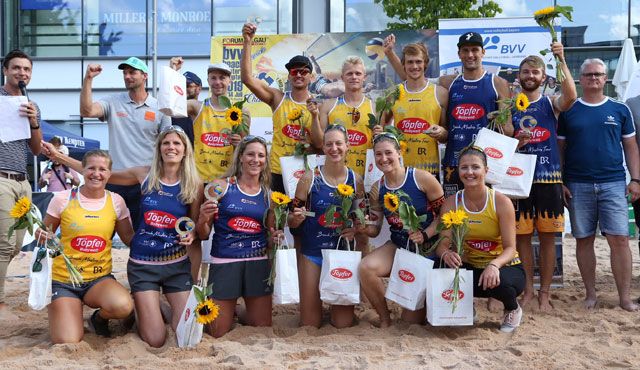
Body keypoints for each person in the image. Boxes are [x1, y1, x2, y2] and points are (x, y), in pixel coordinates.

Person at [43, 125, 203, 346]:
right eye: (166, 143)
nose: (171, 147)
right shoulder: (143, 174)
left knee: (186, 336)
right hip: (143, 264)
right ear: (159, 148)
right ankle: (144, 304)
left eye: (176, 143)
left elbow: (194, 229)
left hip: (176, 264)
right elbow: (100, 173)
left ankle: (156, 305)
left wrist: (193, 233)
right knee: (155, 339)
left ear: (185, 150)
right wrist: (58, 156)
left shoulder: (195, 183)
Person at [558, 58, 640, 312]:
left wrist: (635, 179)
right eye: (589, 74)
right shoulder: (569, 110)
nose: (594, 78)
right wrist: (560, 181)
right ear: (580, 79)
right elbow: (560, 149)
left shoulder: (620, 109)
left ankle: (624, 298)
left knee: (620, 241)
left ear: (606, 78)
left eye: (599, 74)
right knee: (583, 240)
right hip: (578, 184)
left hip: (613, 183)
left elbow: (630, 147)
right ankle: (590, 294)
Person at [35, 150, 135, 343]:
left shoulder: (116, 201)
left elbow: (129, 239)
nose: (96, 173)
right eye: (91, 168)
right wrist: (42, 235)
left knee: (123, 306)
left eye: (102, 169)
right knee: (68, 341)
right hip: (64, 281)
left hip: (97, 280)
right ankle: (67, 309)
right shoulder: (62, 198)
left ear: (109, 174)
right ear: (82, 170)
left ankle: (98, 319)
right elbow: (43, 234)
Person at [511, 45, 577, 311]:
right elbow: (505, 139)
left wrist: (561, 58)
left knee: (549, 239)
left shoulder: (550, 103)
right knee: (523, 239)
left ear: (543, 76)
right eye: (526, 71)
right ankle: (528, 290)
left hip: (549, 178)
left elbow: (571, 96)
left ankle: (545, 293)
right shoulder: (510, 105)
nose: (530, 75)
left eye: (535, 72)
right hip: (519, 179)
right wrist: (517, 140)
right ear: (519, 76)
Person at [358, 133, 444, 328]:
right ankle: (385, 318)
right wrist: (362, 227)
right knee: (366, 267)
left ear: (399, 153)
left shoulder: (422, 178)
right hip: (399, 245)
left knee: (411, 321)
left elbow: (444, 218)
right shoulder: (377, 188)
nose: (383, 158)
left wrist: (425, 234)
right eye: (378, 154)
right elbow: (375, 230)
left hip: (428, 249)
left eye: (388, 153)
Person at [435, 146, 525, 333]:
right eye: (464, 167)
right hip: (471, 266)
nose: (469, 172)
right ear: (458, 171)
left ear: (486, 170)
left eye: (475, 167)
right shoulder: (451, 203)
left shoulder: (501, 202)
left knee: (502, 284)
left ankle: (512, 308)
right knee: (440, 268)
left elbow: (510, 248)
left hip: (503, 266)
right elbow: (441, 245)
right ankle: (465, 308)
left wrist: (494, 265)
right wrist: (446, 253)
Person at [80, 56, 171, 229]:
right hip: (115, 179)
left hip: (145, 181)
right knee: (103, 230)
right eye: (125, 73)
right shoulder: (113, 101)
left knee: (143, 232)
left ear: (144, 76)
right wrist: (88, 79)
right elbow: (86, 110)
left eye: (132, 72)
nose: (127, 76)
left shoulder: (160, 106)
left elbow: (168, 145)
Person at [196, 135, 274, 337]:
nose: (255, 159)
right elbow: (203, 235)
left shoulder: (268, 195)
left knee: (262, 328)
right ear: (240, 157)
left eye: (260, 155)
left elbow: (270, 234)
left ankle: (238, 310)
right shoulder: (221, 187)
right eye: (250, 154)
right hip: (225, 260)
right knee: (217, 332)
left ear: (265, 161)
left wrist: (275, 238)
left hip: (257, 261)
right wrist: (203, 219)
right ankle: (230, 310)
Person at [289, 125, 364, 328]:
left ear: (347, 146)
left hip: (341, 255)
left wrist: (356, 229)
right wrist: (295, 219)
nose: (334, 148)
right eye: (329, 144)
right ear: (322, 148)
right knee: (309, 324)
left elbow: (363, 219)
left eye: (339, 143)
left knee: (343, 323)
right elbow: (290, 219)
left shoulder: (356, 180)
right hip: (313, 252)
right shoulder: (308, 178)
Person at [241, 22, 316, 193]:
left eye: (303, 72)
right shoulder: (277, 98)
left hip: (306, 173)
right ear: (289, 76)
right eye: (294, 71)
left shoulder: (317, 106)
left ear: (311, 77)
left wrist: (310, 146)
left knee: (302, 218)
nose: (298, 74)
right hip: (277, 172)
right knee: (274, 218)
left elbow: (321, 146)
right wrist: (247, 41)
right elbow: (247, 79)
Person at [440, 32, 512, 197]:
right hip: (454, 163)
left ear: (483, 52)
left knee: (485, 217)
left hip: (485, 165)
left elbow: (508, 130)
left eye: (474, 50)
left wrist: (499, 122)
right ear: (459, 54)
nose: (470, 55)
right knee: (453, 215)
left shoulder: (498, 83)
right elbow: (416, 79)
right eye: (465, 50)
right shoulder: (448, 83)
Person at [0, 49, 42, 318]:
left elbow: (36, 150)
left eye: (26, 69)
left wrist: (34, 122)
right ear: (5, 70)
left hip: (23, 182)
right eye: (16, 68)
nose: (22, 73)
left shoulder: (32, 104)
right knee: (4, 245)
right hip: (1, 178)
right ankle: (0, 302)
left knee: (17, 245)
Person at [170, 57, 251, 183]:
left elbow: (247, 148)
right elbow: (171, 106)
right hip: (199, 179)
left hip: (229, 179)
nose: (217, 82)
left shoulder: (241, 111)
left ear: (230, 81)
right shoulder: (196, 106)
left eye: (222, 78)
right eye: (213, 78)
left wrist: (239, 143)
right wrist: (173, 71)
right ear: (208, 81)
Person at [381, 39, 448, 177]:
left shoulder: (440, 93)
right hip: (399, 169)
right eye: (410, 62)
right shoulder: (393, 94)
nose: (414, 66)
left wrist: (441, 132)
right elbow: (382, 128)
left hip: (430, 170)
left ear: (425, 64)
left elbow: (446, 135)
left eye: (418, 61)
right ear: (403, 65)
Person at [171, 70, 203, 145]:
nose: (184, 89)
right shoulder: (174, 112)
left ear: (199, 88)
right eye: (181, 86)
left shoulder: (204, 110)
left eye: (188, 86)